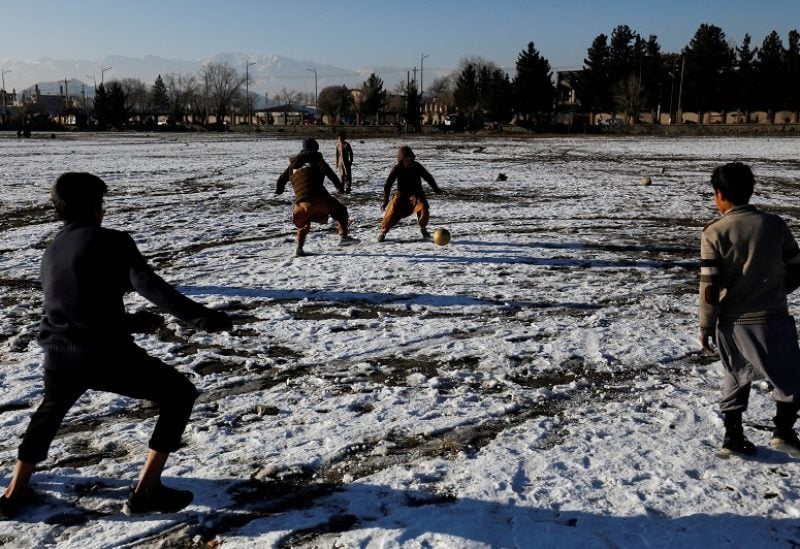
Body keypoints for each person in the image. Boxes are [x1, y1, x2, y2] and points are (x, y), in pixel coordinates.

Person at [0, 172, 232, 519]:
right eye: (101, 202)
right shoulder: (113, 241)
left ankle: (14, 492)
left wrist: (134, 323)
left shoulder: (53, 248)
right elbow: (150, 286)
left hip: (59, 355)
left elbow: (75, 307)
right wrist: (204, 318)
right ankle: (146, 492)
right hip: (105, 355)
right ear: (95, 206)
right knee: (179, 394)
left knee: (47, 415)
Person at [699, 162, 800, 456]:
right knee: (789, 375)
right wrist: (778, 290)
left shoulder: (714, 232)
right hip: (773, 318)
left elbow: (709, 288)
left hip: (733, 321)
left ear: (719, 194)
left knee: (734, 374)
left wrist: (706, 326)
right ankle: (783, 432)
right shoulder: (775, 225)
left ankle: (733, 437)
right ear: (750, 190)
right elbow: (797, 267)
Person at [276, 137, 356, 256]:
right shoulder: (316, 158)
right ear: (315, 148)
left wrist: (279, 190)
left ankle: (299, 248)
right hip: (319, 199)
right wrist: (339, 187)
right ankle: (343, 236)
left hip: (300, 205)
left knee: (304, 224)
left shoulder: (293, 165)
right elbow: (328, 172)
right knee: (341, 210)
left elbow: (281, 180)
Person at [378, 146, 442, 242]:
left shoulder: (417, 166)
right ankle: (383, 232)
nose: (410, 160)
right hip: (401, 195)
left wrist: (436, 189)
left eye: (411, 158)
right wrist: (386, 199)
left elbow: (428, 177)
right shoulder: (397, 168)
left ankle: (423, 229)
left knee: (423, 208)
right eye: (407, 158)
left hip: (416, 194)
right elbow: (388, 184)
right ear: (402, 159)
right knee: (391, 213)